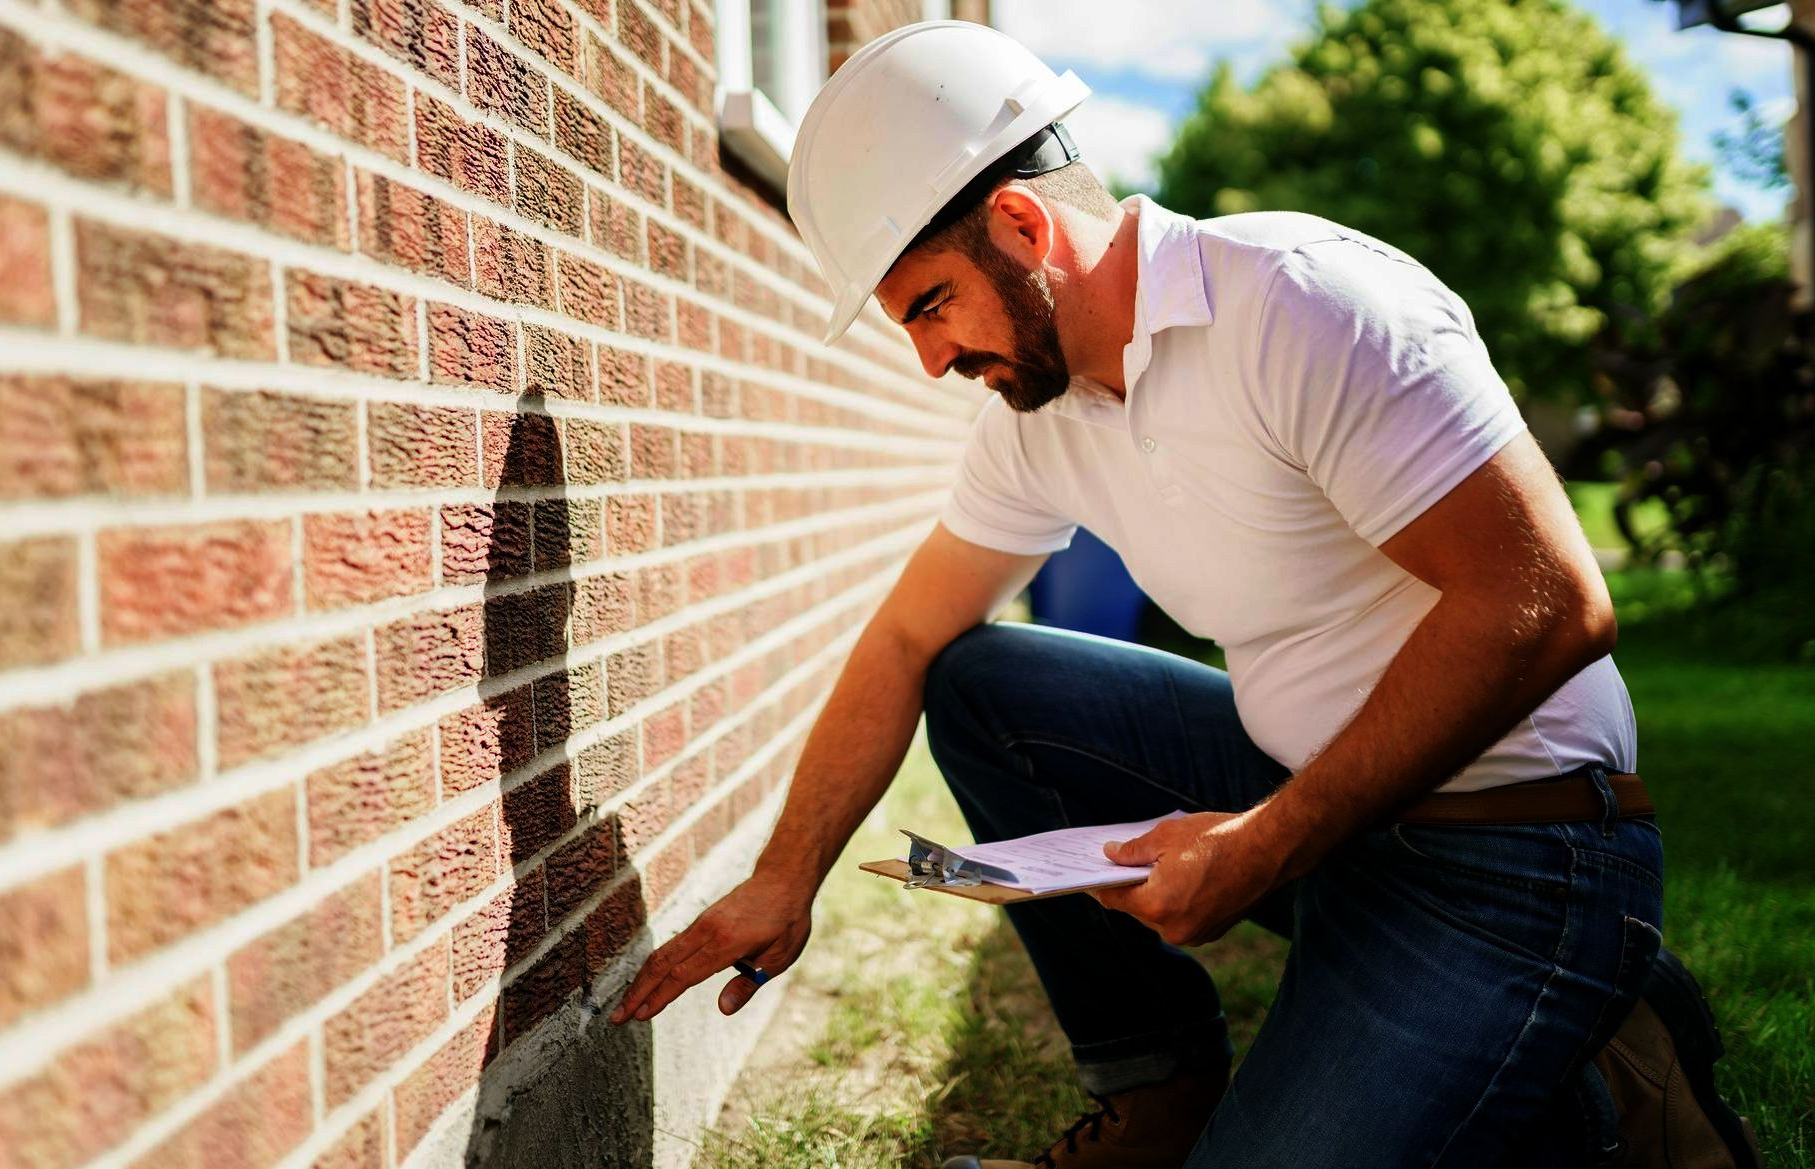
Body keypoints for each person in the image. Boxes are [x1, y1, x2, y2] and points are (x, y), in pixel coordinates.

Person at [611, 21, 1666, 1168]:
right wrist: (785, 875)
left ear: (1022, 225)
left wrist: (1269, 841)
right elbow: (910, 631)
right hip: (1324, 811)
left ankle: (1576, 1074)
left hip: (1516, 857)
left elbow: (1549, 599)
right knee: (982, 680)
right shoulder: (1039, 414)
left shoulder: (1304, 305)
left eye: (931, 306)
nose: (932, 359)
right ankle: (1161, 1097)